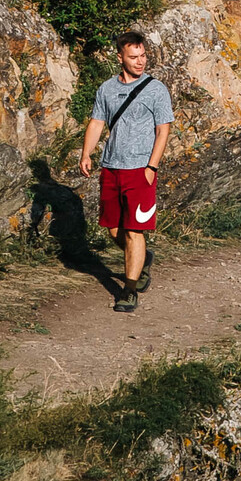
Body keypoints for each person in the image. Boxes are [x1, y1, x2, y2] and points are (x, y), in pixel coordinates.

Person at [81, 30, 173, 314]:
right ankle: (142, 258)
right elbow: (97, 122)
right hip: (111, 167)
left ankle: (129, 290)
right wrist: (86, 153)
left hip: (140, 170)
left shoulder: (156, 89)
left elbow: (163, 130)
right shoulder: (106, 88)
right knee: (112, 228)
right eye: (133, 57)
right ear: (119, 57)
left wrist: (151, 167)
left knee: (135, 230)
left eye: (143, 55)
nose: (140, 61)